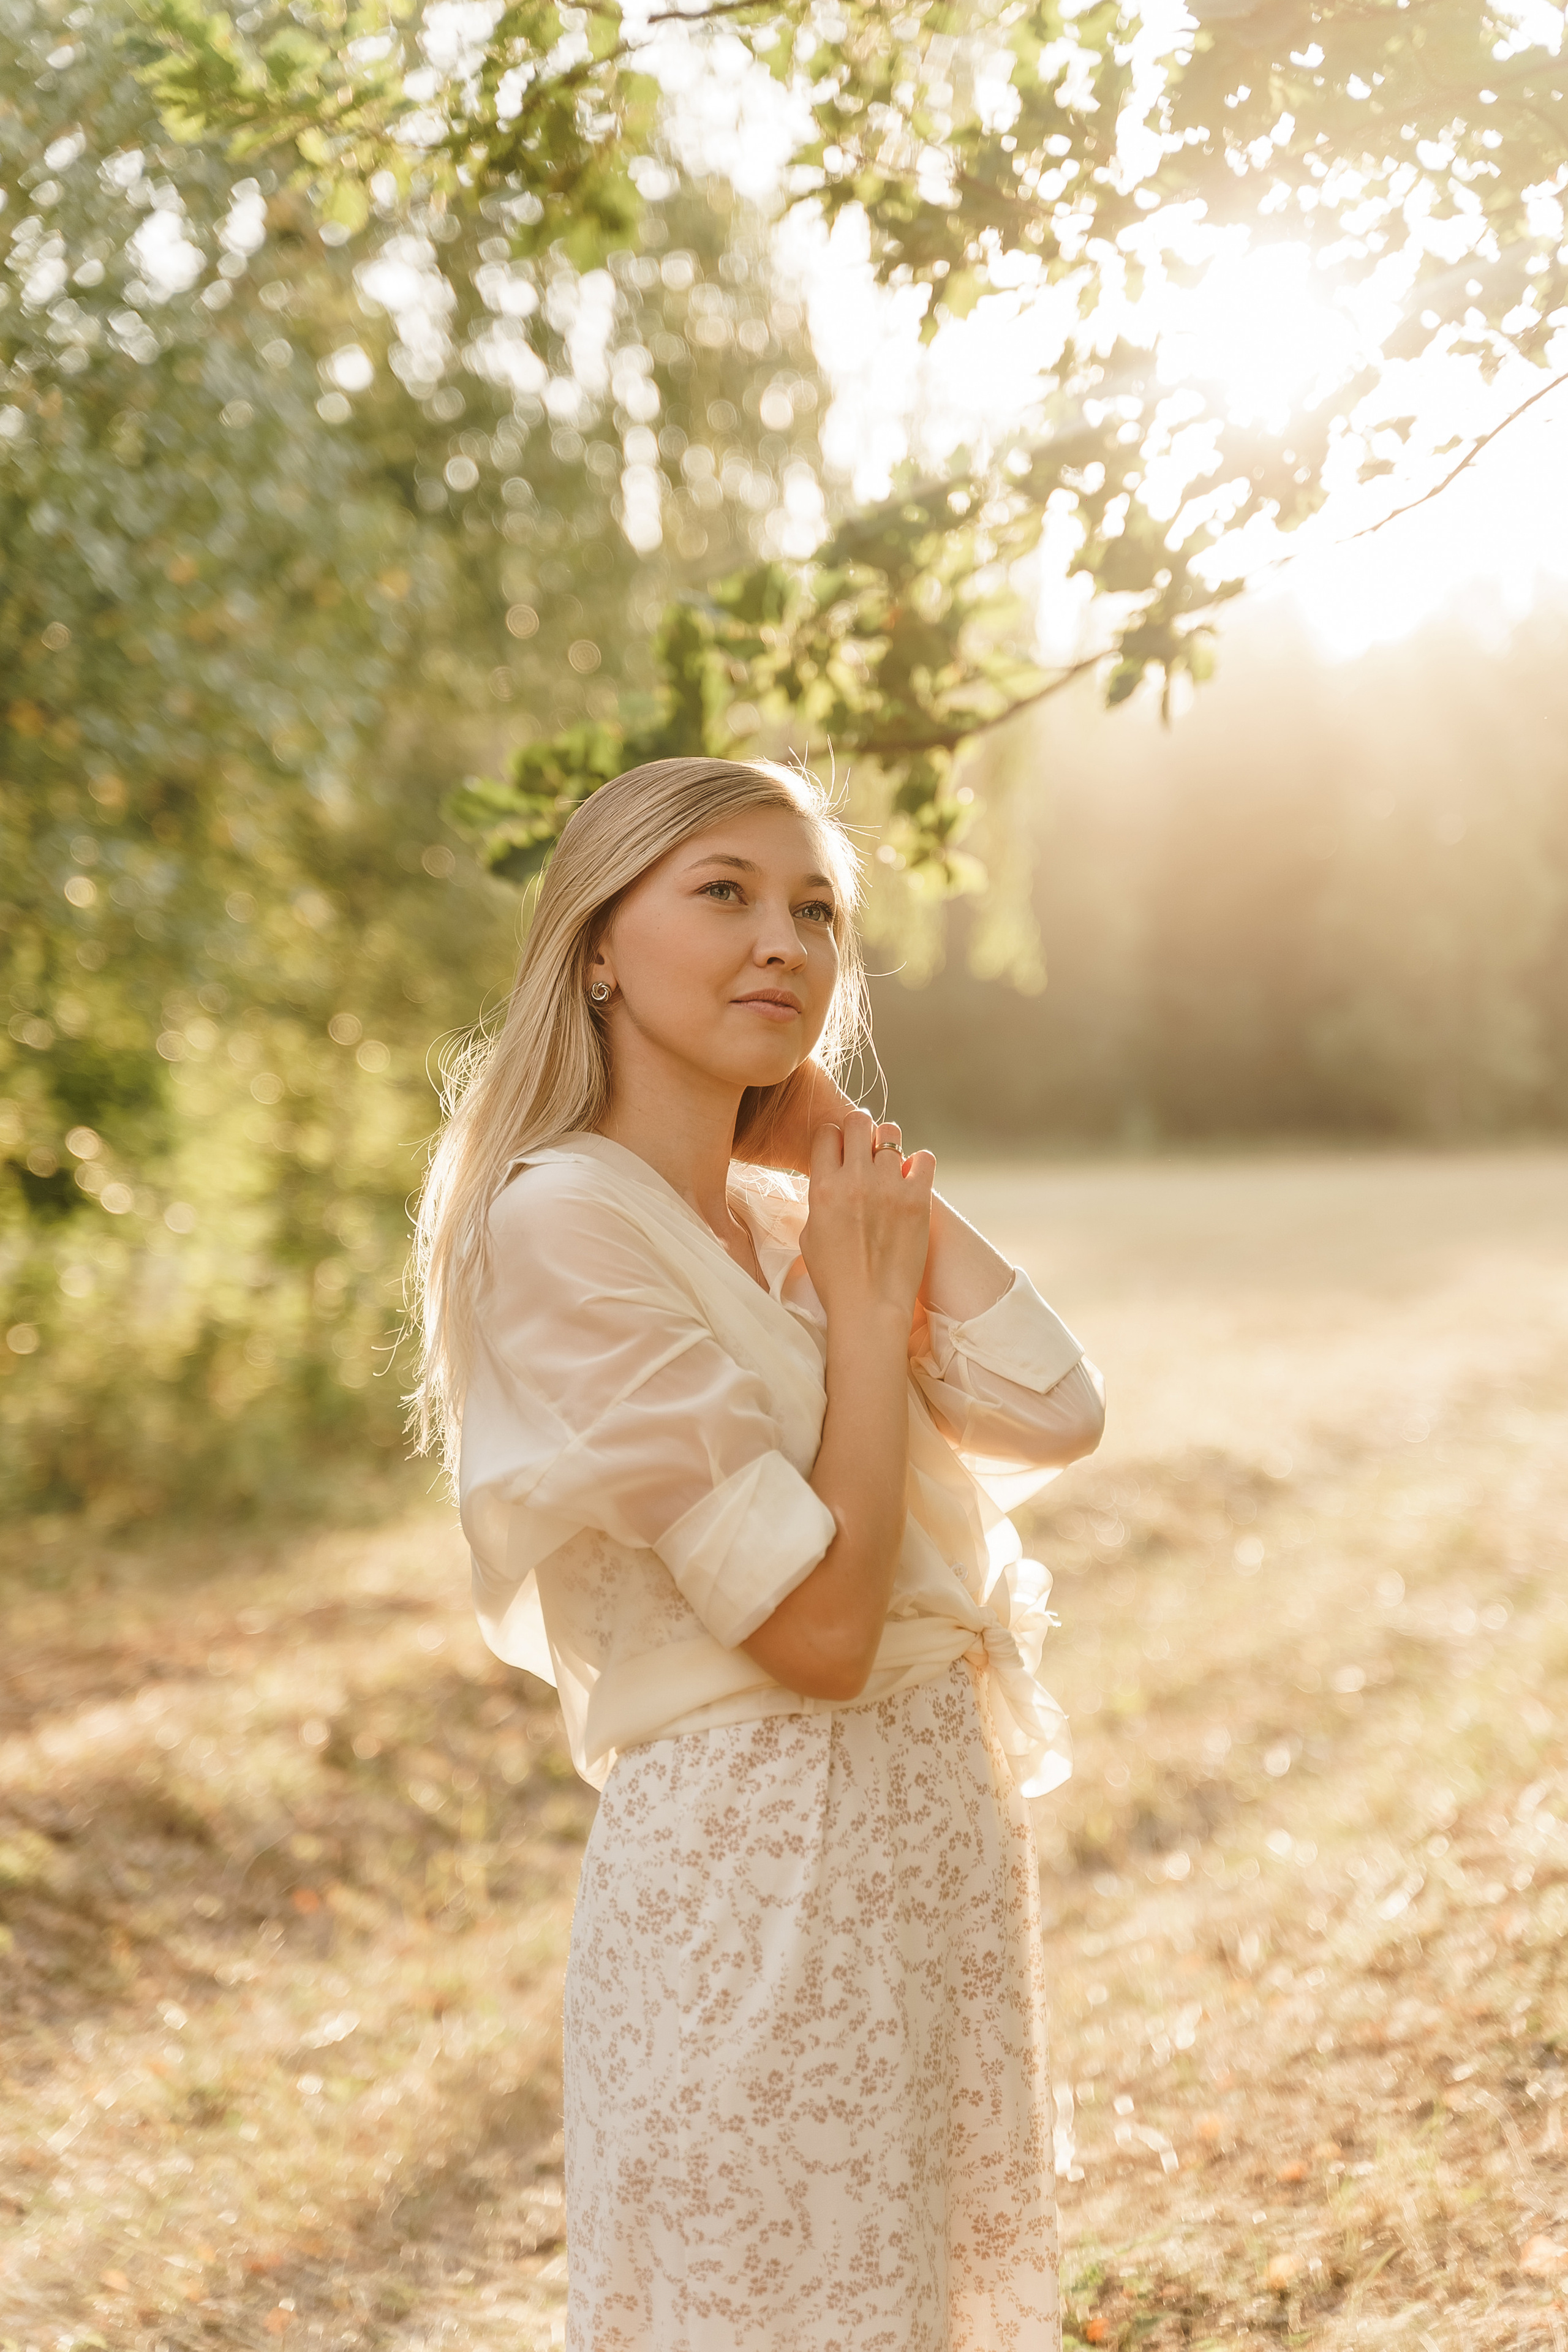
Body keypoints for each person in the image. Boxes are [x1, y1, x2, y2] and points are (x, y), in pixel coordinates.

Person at [411, 756, 1106, 2352]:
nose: (781, 941)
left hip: (926, 1853)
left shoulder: (794, 1223)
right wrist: (867, 1325)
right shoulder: (562, 1222)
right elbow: (817, 1637)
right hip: (759, 1878)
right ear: (597, 944)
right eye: (721, 892)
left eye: (815, 911)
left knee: (911, 2302)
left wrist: (840, 1149)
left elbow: (1059, 1410)